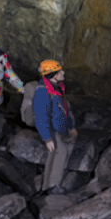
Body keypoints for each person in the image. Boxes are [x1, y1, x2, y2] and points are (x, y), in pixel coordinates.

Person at [33, 59, 76, 194]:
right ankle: (53, 186)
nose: (63, 72)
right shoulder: (43, 92)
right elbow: (41, 116)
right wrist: (47, 138)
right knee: (61, 151)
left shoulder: (56, 87)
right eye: (59, 71)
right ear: (53, 74)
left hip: (59, 127)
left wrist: (69, 126)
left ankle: (47, 186)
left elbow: (63, 109)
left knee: (53, 155)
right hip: (52, 129)